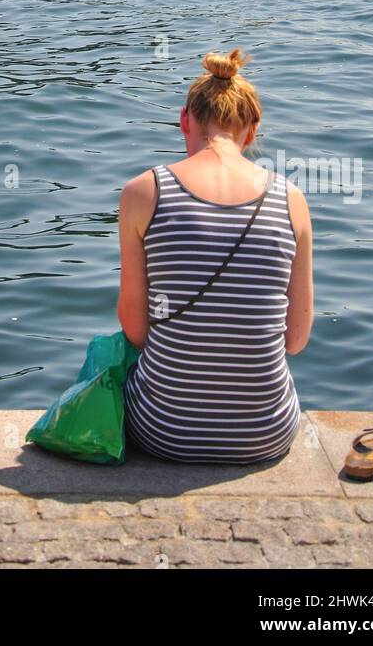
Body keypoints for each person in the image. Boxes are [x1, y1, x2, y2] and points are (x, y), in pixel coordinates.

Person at [117, 48, 312, 463]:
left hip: (164, 430)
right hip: (266, 434)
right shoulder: (290, 199)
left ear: (184, 119)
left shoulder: (143, 192)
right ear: (252, 130)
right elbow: (295, 340)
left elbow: (135, 331)